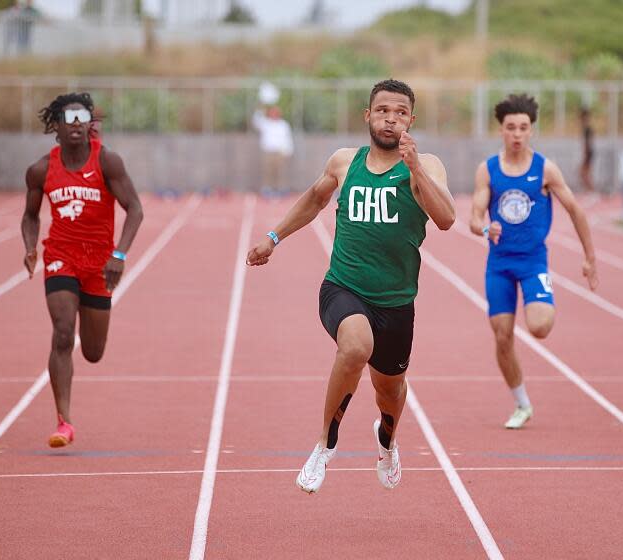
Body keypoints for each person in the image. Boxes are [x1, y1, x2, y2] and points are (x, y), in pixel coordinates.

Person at [246, 79, 454, 493]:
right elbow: (314, 200)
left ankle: (388, 442)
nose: (390, 119)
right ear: (368, 115)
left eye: (399, 112)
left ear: (410, 120)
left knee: (389, 390)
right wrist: (272, 238)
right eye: (382, 111)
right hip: (343, 287)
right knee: (355, 344)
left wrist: (415, 171)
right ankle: (325, 444)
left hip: (395, 302)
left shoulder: (426, 165)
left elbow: (446, 218)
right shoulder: (345, 161)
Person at [21, 92, 144, 447]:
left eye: (81, 119)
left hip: (99, 263)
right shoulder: (41, 169)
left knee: (92, 351)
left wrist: (119, 256)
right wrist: (31, 247)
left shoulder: (107, 162)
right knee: (62, 333)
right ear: (55, 127)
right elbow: (30, 215)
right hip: (60, 255)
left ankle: (67, 412)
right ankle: (64, 422)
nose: (76, 126)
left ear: (90, 124)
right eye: (68, 119)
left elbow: (134, 208)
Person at [469, 94, 598, 429]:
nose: (516, 134)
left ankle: (541, 299)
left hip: (533, 262)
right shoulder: (488, 169)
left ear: (531, 131)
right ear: (501, 130)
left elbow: (575, 210)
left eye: (523, 128)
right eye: (510, 127)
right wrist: (486, 227)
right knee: (502, 336)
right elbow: (473, 218)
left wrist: (589, 258)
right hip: (499, 263)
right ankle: (522, 403)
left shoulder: (544, 169)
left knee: (540, 327)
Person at [252, 104, 294, 197]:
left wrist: (289, 150)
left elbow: (287, 138)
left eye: (276, 112)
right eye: (272, 112)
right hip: (268, 152)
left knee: (281, 171)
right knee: (268, 171)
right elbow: (255, 122)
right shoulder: (265, 123)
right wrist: (260, 109)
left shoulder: (283, 124)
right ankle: (267, 189)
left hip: (280, 152)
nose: (274, 114)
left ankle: (281, 189)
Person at [579, 107, 597, 199]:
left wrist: (586, 153)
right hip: (588, 152)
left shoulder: (588, 129)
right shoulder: (585, 129)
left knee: (584, 173)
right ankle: (589, 191)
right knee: (583, 173)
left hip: (589, 152)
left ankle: (592, 192)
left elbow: (589, 142)